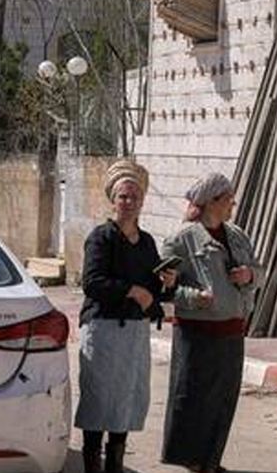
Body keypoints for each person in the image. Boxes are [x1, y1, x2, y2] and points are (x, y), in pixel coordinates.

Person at [76, 160, 176, 473]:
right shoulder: (101, 237)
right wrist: (133, 291)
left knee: (126, 400)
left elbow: (154, 291)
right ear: (113, 200)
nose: (129, 202)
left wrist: (167, 283)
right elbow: (93, 282)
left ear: (143, 200)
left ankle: (115, 466)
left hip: (134, 332)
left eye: (135, 196)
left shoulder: (146, 242)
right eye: (123, 196)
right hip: (103, 329)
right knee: (99, 401)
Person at [160, 173, 262, 473]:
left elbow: (260, 271)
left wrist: (249, 275)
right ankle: (191, 459)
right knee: (193, 398)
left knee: (223, 400)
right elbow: (164, 289)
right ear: (213, 201)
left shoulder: (237, 235)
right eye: (229, 198)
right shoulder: (181, 239)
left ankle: (211, 460)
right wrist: (194, 297)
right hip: (197, 333)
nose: (233, 203)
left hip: (232, 330)